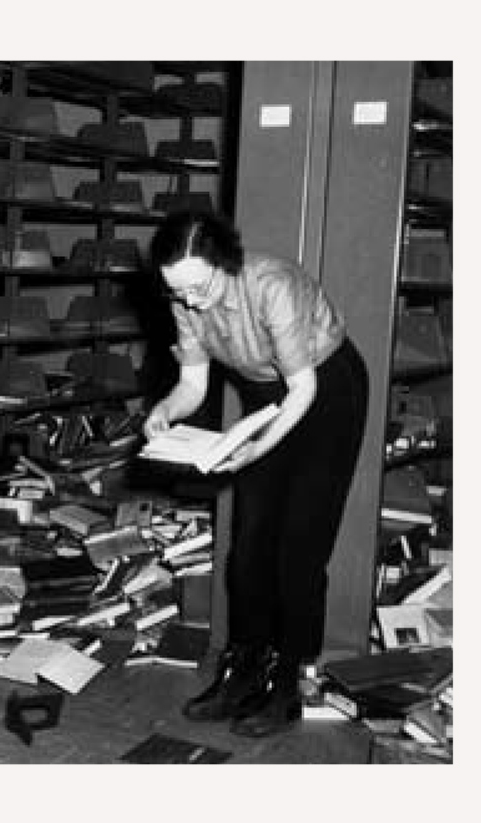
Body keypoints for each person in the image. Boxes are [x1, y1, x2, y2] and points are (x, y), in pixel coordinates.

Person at [144, 210, 369, 737]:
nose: (190, 302)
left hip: (325, 390)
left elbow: (305, 392)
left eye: (198, 288)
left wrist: (254, 450)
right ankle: (244, 671)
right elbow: (194, 385)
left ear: (223, 264)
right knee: (248, 548)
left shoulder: (272, 286)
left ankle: (290, 679)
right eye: (177, 292)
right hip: (268, 395)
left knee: (299, 549)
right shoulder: (186, 298)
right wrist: (163, 412)